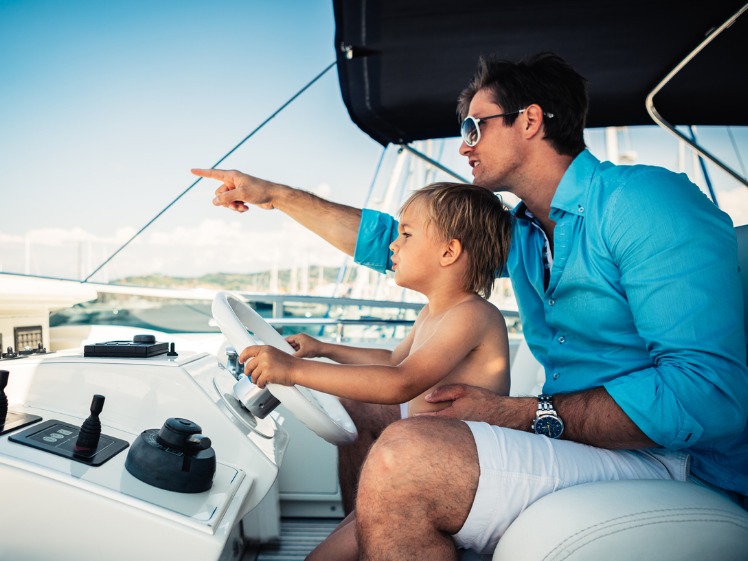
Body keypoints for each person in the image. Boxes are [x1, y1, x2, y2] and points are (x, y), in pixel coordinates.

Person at [193, 52, 748, 560]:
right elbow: (395, 244)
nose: (464, 145)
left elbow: (711, 394)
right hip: (591, 441)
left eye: (474, 127)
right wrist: (275, 196)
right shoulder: (530, 234)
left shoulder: (643, 203)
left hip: (676, 460)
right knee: (365, 413)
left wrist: (523, 414)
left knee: (406, 454)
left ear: (530, 121)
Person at [236, 182, 512, 560]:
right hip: (425, 461)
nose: (393, 245)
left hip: (451, 474)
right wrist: (323, 349)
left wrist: (294, 371)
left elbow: (401, 383)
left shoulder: (471, 315)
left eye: (406, 234)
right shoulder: (435, 311)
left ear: (449, 252)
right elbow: (395, 362)